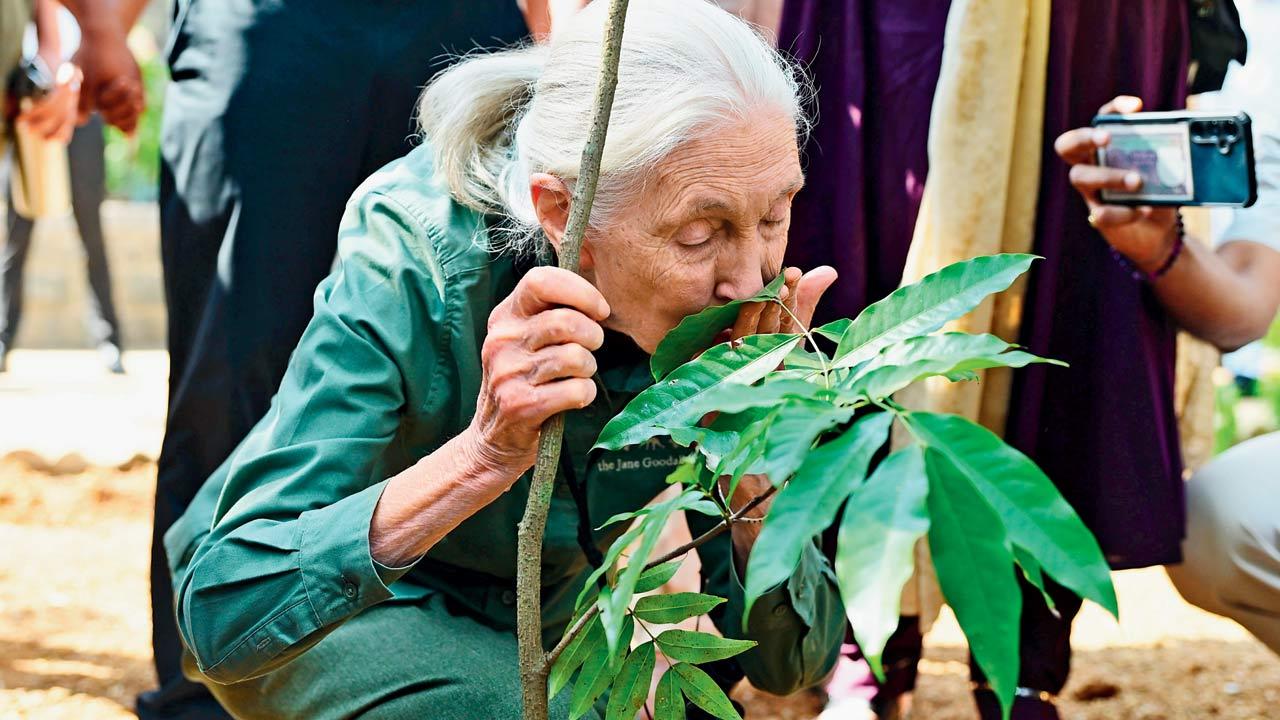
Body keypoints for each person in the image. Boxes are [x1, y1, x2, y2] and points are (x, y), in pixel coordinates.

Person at [164, 2, 845, 716]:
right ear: (560, 212)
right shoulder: (418, 248)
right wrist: (482, 457)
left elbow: (788, 664)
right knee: (500, 705)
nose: (748, 279)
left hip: (543, 617)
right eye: (700, 233)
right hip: (356, 611)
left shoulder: (734, 309)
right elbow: (227, 615)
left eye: (774, 217)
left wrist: (751, 457)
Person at [142, 1, 532, 716]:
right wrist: (96, 29)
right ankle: (195, 695)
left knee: (469, 351)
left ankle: (440, 663)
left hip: (468, 27)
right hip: (271, 28)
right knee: (231, 370)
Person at [2, 4, 124, 374]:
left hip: (80, 107)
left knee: (91, 227)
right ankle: (4, 337)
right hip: (25, 100)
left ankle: (110, 340)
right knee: (17, 231)